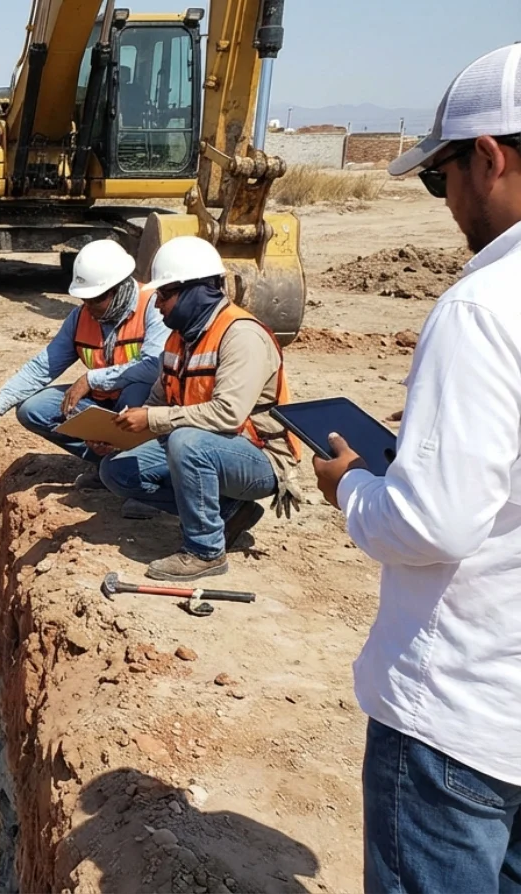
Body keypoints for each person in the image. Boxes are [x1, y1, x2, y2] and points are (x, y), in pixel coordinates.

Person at [312, 44, 521, 894]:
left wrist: (353, 488)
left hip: (457, 719)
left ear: (490, 158)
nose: (447, 206)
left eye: (441, 181)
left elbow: (434, 523)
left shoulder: (480, 307)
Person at [96, 235, 301, 582]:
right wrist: (119, 435)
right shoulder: (180, 338)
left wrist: (153, 419)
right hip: (202, 444)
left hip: (259, 456)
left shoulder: (241, 335)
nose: (157, 305)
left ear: (196, 290)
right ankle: (227, 510)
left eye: (164, 295)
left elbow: (228, 414)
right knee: (116, 471)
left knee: (186, 443)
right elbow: (159, 401)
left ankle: (205, 551)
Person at [0, 239, 166, 484]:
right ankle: (105, 462)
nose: (88, 307)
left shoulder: (155, 306)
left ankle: (135, 471)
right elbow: (42, 366)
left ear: (119, 288)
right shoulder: (81, 317)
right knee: (33, 409)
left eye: (95, 299)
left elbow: (152, 367)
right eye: (85, 300)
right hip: (106, 403)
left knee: (136, 390)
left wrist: (92, 379)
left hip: (144, 404)